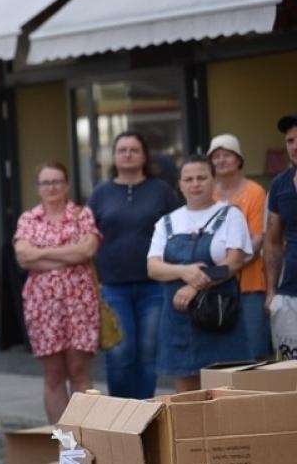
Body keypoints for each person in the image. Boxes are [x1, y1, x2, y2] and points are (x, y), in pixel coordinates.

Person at [147, 156, 253, 393]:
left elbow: (233, 263)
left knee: (226, 396)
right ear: (180, 184)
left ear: (214, 181)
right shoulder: (167, 222)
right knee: (186, 400)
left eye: (202, 178)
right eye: (189, 179)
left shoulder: (231, 215)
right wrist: (184, 271)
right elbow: (153, 267)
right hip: (178, 319)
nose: (195, 184)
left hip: (220, 316)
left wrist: (194, 286)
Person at [87, 130, 179, 399]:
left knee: (148, 352)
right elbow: (88, 236)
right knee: (120, 353)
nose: (127, 154)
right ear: (114, 157)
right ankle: (122, 416)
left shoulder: (161, 191)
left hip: (154, 285)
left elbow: (175, 233)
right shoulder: (100, 193)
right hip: (113, 286)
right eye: (122, 150)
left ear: (144, 156)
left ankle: (145, 416)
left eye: (134, 150)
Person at [12, 163, 101, 423]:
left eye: (57, 181)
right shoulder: (29, 218)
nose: (51, 187)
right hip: (42, 305)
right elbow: (23, 258)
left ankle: (86, 434)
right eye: (45, 183)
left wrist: (42, 254)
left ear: (67, 185)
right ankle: (61, 439)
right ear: (38, 188)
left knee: (79, 370)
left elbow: (86, 252)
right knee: (53, 374)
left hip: (79, 301)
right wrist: (68, 254)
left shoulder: (82, 215)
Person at [209, 134, 271, 362]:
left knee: (255, 350)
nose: (221, 160)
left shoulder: (255, 192)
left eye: (227, 155)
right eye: (216, 156)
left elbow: (257, 239)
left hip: (250, 283)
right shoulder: (207, 193)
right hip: (213, 286)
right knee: (220, 354)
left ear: (239, 160)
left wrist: (227, 267)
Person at [268, 115, 297, 361]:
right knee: (289, 373)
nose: (295, 146)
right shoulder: (280, 184)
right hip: (289, 293)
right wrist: (271, 292)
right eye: (290, 140)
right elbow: (273, 241)